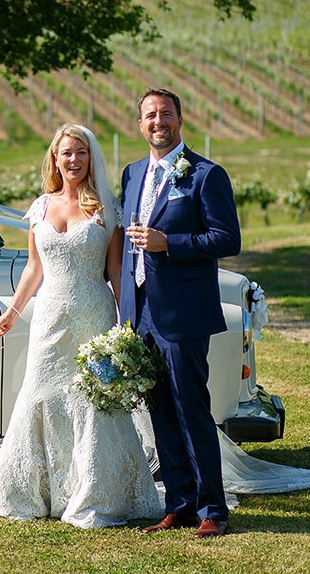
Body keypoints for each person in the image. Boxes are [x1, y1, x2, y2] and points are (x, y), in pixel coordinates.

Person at [0, 123, 162, 528]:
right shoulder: (41, 206)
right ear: (54, 158)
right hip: (49, 317)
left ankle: (98, 494)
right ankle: (35, 494)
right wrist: (11, 313)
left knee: (95, 400)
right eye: (66, 153)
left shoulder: (106, 208)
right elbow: (33, 268)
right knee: (39, 393)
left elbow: (116, 271)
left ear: (90, 157)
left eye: (81, 152)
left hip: (93, 314)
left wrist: (127, 325)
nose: (74, 160)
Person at [121, 88, 241, 540]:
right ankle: (179, 504)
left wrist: (169, 243)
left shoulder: (207, 175)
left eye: (166, 114)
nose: (158, 122)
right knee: (160, 412)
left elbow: (226, 239)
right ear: (140, 124)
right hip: (142, 311)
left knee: (192, 409)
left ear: (180, 120)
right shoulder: (133, 173)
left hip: (184, 311)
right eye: (150, 116)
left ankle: (213, 508)